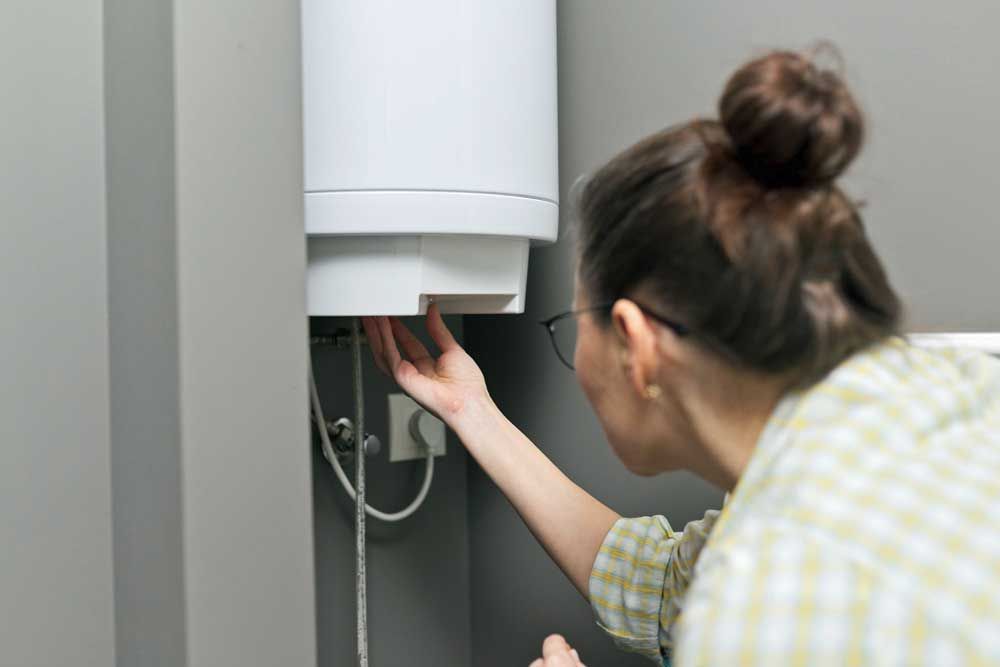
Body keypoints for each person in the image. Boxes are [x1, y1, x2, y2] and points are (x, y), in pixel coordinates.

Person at [362, 48, 1000, 666]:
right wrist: (473, 412)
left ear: (635, 346)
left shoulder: (774, 600)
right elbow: (670, 587)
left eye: (574, 322)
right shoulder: (949, 390)